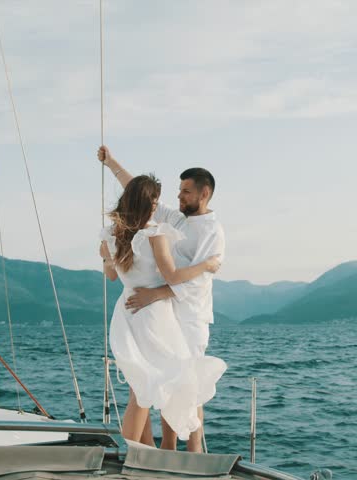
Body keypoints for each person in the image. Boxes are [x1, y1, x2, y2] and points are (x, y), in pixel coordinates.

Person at [97, 145, 225, 452]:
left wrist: (156, 293)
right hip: (154, 312)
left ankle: (191, 457)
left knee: (183, 387)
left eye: (185, 192)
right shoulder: (167, 222)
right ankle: (161, 452)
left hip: (185, 314)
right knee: (155, 385)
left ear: (203, 194)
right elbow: (136, 191)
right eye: (178, 192)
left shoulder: (212, 231)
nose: (178, 197)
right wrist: (112, 163)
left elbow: (198, 284)